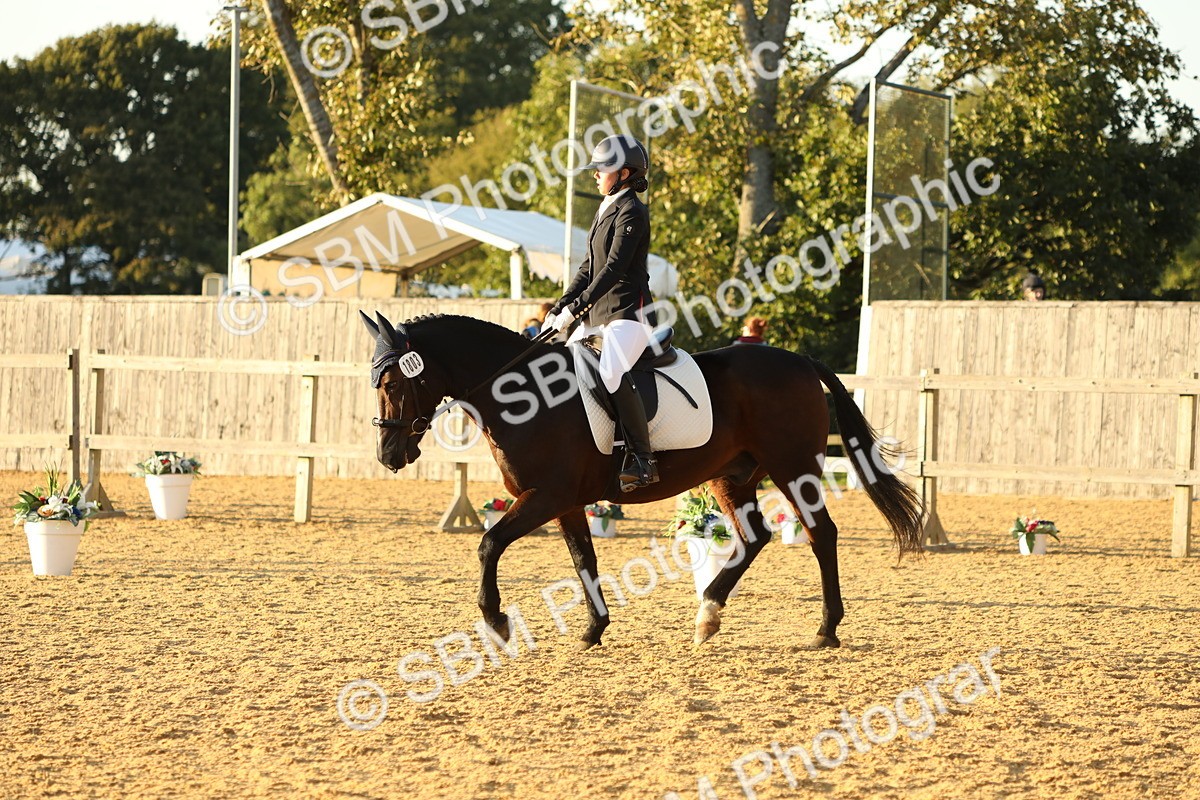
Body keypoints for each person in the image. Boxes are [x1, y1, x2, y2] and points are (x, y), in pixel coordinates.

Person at [544, 135, 659, 490]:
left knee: (610, 371)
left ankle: (643, 459)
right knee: (564, 367)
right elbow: (587, 268)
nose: (595, 175)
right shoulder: (606, 207)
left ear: (624, 173)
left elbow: (613, 269)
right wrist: (561, 307)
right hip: (597, 318)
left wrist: (577, 308)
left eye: (601, 169)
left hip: (629, 314)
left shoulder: (633, 211)